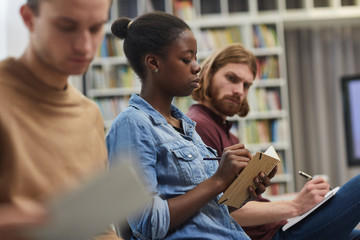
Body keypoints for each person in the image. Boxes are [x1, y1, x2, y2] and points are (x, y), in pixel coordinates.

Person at [106, 12, 277, 240]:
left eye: (195, 58)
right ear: (154, 62)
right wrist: (218, 180)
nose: (197, 67)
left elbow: (207, 212)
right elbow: (147, 222)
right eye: (187, 59)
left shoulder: (186, 127)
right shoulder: (132, 124)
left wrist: (243, 190)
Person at [187, 43, 360, 240]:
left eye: (246, 85)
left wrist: (298, 200)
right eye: (231, 79)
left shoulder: (227, 132)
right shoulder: (199, 126)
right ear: (208, 73)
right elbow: (218, 212)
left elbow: (241, 200)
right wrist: (295, 206)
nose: (239, 91)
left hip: (277, 229)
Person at [0, 0, 120, 239]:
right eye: (66, 27)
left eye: (96, 28)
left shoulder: (89, 114)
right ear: (28, 19)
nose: (85, 46)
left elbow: (98, 226)